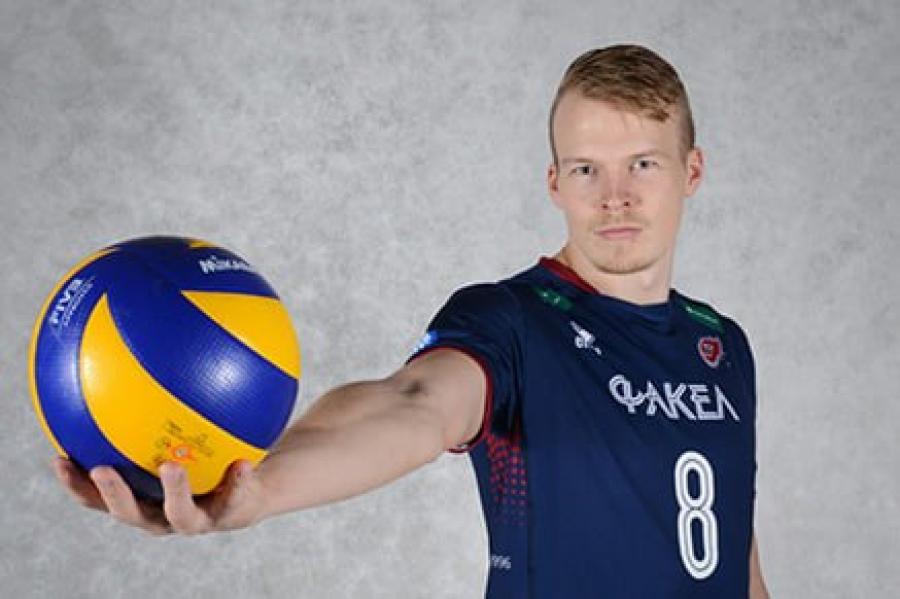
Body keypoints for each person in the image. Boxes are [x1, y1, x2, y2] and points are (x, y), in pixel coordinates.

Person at [56, 44, 770, 598]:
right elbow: (414, 405)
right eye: (587, 169)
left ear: (692, 171)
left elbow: (737, 561)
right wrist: (263, 488)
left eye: (642, 164)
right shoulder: (514, 320)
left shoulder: (723, 346)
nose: (615, 196)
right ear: (555, 182)